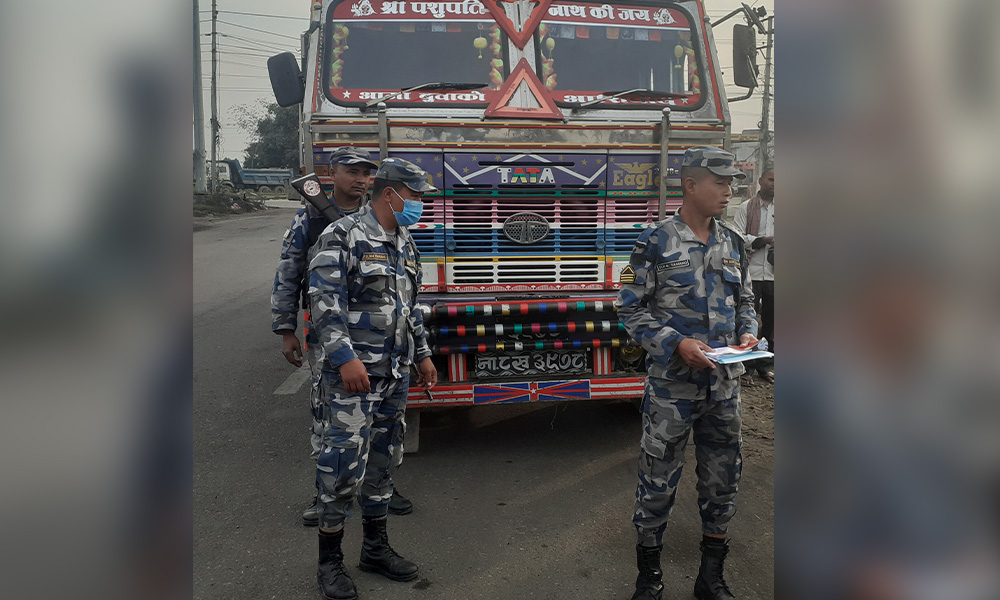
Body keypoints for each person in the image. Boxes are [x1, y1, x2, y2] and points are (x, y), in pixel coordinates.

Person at [616, 146, 759, 600]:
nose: (729, 191)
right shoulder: (655, 241)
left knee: (722, 481)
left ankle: (710, 576)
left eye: (732, 183)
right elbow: (629, 308)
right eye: (720, 182)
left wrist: (750, 335)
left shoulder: (734, 241)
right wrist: (676, 342)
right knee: (658, 480)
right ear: (691, 185)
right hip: (672, 388)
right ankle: (649, 578)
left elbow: (747, 304)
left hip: (723, 388)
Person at [308, 157, 438, 600]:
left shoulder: (404, 241)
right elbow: (324, 303)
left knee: (384, 460)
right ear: (391, 193)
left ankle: (376, 549)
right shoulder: (342, 235)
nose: (420, 205)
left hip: (394, 374)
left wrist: (422, 356)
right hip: (354, 379)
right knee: (342, 465)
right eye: (416, 196)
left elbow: (411, 307)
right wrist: (345, 359)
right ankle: (330, 562)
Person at [270, 146, 413, 527]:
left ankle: (378, 486)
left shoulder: (383, 219)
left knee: (383, 425)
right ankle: (326, 494)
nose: (360, 179)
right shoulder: (313, 219)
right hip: (330, 336)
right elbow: (289, 273)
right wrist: (287, 329)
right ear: (331, 173)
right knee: (332, 416)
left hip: (379, 341)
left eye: (367, 173)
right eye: (352, 172)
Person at [733, 166, 774, 383]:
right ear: (760, 180)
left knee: (772, 322)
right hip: (752, 272)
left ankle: (764, 366)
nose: (774, 184)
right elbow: (738, 235)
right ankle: (746, 368)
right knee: (749, 320)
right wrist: (763, 240)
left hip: (775, 275)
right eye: (771, 179)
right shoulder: (746, 207)